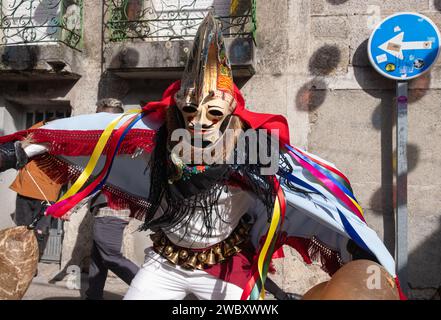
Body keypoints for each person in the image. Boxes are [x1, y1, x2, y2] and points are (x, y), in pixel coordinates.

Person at [0, 13, 405, 300]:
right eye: (191, 110)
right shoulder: (159, 136)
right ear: (178, 105)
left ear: (231, 110)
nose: (199, 121)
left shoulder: (257, 148)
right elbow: (97, 136)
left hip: (227, 269)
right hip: (167, 262)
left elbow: (310, 192)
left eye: (212, 112)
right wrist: (22, 149)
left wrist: (356, 245)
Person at [84, 98, 139, 300]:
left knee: (110, 256)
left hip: (112, 207)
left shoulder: (118, 143)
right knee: (98, 257)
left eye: (100, 116)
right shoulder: (118, 141)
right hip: (109, 205)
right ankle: (93, 296)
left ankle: (153, 290)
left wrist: (68, 206)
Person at [9, 120, 63, 259]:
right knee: (22, 229)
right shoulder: (38, 130)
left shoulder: (66, 141)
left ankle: (32, 262)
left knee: (40, 231)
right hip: (26, 190)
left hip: (47, 194)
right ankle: (22, 261)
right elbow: (24, 140)